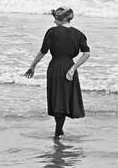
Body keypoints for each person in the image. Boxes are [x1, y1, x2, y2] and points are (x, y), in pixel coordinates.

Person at [23, 7, 90, 138]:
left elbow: (43, 51)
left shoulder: (52, 32)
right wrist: (73, 68)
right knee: (64, 99)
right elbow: (86, 54)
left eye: (56, 18)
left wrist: (32, 65)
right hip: (69, 67)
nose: (54, 22)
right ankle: (59, 130)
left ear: (62, 19)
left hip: (55, 67)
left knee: (57, 99)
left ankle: (58, 131)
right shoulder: (79, 34)